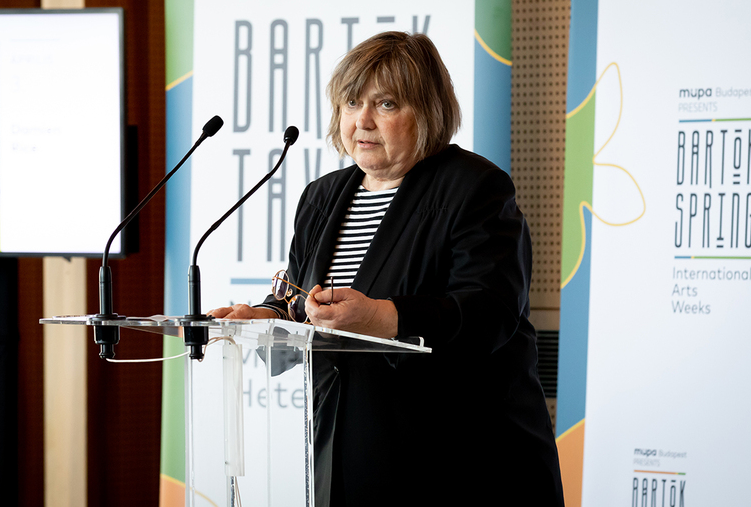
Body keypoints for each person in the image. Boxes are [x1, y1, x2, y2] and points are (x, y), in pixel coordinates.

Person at [208, 31, 564, 505]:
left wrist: (380, 318)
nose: (362, 121)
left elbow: (489, 313)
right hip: (351, 453)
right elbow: (303, 300)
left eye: (387, 104)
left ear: (429, 111)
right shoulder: (323, 197)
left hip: (463, 461)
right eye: (352, 102)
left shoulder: (475, 188)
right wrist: (267, 317)